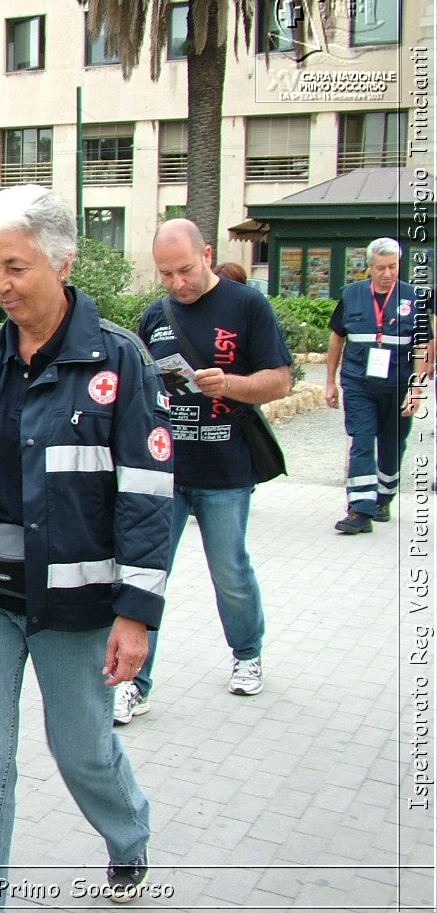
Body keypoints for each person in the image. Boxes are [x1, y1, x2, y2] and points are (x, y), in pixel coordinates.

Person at [0, 186, 172, 907]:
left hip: (76, 604)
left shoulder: (119, 362)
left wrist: (136, 614)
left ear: (62, 263)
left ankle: (128, 834)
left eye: (15, 268)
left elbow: (149, 497)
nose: (0, 284)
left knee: (83, 752)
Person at [117, 218, 292, 726]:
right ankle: (134, 683)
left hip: (226, 469)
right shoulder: (156, 315)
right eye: (165, 274)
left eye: (185, 270)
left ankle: (247, 654)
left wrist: (230, 385)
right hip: (164, 471)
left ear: (208, 255)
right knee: (146, 578)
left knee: (229, 571)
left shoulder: (246, 305)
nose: (176, 283)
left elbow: (280, 381)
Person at [324, 237, 432, 534]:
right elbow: (337, 337)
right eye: (381, 267)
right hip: (359, 382)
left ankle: (384, 498)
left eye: (393, 267)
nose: (388, 274)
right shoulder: (352, 295)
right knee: (361, 440)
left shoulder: (414, 298)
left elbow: (422, 345)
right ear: (368, 267)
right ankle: (360, 509)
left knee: (392, 445)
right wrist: (330, 382)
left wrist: (417, 389)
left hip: (398, 384)